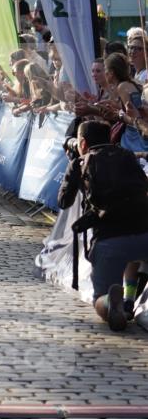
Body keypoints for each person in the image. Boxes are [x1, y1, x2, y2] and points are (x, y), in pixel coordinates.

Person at [57, 119, 148, 331]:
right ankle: (129, 298)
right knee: (133, 254)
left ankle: (110, 302)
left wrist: (73, 167)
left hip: (109, 240)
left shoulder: (80, 164)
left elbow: (63, 202)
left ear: (82, 144)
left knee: (99, 300)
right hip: (144, 231)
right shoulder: (126, 156)